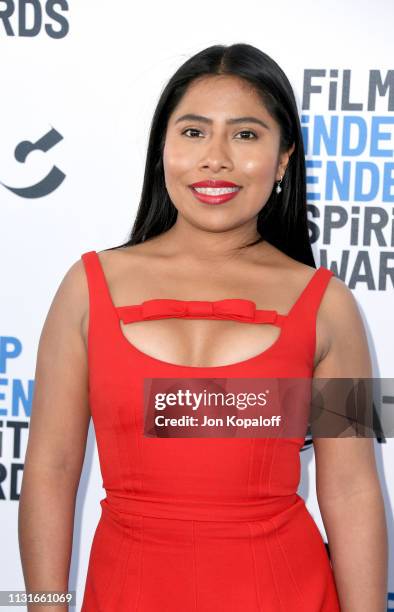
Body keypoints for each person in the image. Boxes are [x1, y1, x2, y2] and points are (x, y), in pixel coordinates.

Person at [18, 43, 388, 611]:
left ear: (284, 158)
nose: (215, 157)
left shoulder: (329, 305)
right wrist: (45, 605)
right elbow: (51, 468)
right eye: (193, 133)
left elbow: (352, 489)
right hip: (127, 593)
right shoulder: (87, 288)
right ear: (161, 149)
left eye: (245, 135)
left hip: (286, 592)